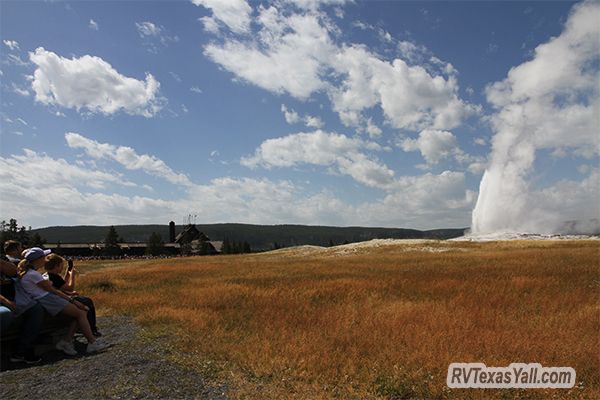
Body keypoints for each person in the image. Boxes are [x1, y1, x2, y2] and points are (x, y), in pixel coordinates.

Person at [17, 248, 110, 355]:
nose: (45, 260)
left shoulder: (30, 273)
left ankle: (67, 341)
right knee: (81, 312)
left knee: (81, 313)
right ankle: (91, 342)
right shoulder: (33, 274)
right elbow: (53, 291)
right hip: (48, 299)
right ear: (38, 259)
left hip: (46, 299)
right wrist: (73, 301)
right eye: (43, 257)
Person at [1, 243, 45, 364]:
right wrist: (6, 301)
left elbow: (13, 272)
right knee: (5, 314)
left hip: (14, 295)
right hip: (4, 299)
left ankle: (22, 350)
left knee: (36, 308)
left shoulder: (4, 259)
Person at [44, 254, 101, 337]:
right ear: (56, 266)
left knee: (85, 301)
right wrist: (72, 275)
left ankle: (88, 327)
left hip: (58, 299)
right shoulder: (54, 277)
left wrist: (68, 271)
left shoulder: (48, 275)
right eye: (61, 266)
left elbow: (62, 285)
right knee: (87, 302)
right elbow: (69, 288)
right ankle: (91, 329)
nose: (62, 267)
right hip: (60, 301)